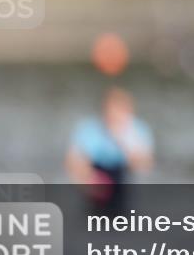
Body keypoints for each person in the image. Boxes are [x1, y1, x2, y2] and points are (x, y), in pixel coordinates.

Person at [66, 86, 154, 215]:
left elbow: (145, 165)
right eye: (110, 110)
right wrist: (88, 177)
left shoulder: (137, 130)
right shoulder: (89, 129)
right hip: (97, 180)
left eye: (119, 110)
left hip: (123, 181)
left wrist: (122, 140)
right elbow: (73, 162)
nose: (114, 115)